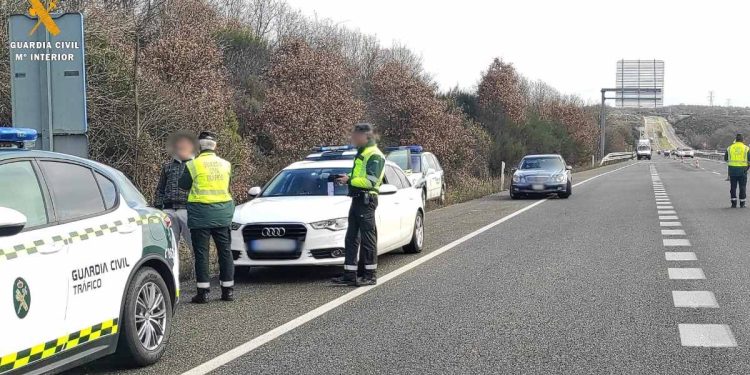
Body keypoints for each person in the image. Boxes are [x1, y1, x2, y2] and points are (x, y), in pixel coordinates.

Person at [178, 131, 236, 303]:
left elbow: (183, 185)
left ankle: (203, 293)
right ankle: (228, 291)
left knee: (201, 253)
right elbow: (227, 184)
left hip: (200, 214)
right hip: (222, 213)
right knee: (225, 252)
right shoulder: (226, 165)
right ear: (215, 146)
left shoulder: (193, 165)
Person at [331, 123, 385, 286]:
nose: (353, 139)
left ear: (366, 136)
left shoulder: (374, 154)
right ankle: (350, 274)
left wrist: (350, 180)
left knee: (368, 239)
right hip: (357, 198)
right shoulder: (363, 152)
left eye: (355, 136)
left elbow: (371, 180)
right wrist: (346, 177)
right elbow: (360, 175)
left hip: (366, 199)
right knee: (351, 238)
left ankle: (369, 275)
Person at [154, 131, 196, 251]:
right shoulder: (167, 167)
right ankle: (172, 270)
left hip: (188, 210)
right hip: (168, 210)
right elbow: (160, 189)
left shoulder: (195, 166)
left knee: (194, 246)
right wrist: (159, 208)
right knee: (170, 247)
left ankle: (198, 270)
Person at [724, 133, 750, 208]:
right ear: (743, 140)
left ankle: (733, 203)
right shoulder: (746, 148)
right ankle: (742, 203)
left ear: (735, 140)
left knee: (733, 187)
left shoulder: (729, 148)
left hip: (732, 171)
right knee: (742, 187)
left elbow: (726, 159)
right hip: (743, 171)